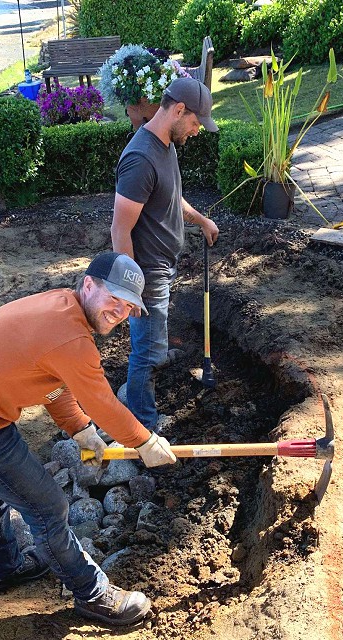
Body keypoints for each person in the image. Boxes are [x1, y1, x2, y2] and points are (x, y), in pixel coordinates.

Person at [0, 252, 177, 627]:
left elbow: (54, 387)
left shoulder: (61, 308)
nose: (120, 312)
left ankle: (3, 567)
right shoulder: (71, 336)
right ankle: (93, 595)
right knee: (48, 506)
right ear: (89, 284)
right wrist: (144, 441)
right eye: (114, 298)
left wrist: (81, 430)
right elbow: (104, 403)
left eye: (128, 307)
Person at [111, 77, 220, 432]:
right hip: (146, 275)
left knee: (151, 343)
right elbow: (119, 231)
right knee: (143, 354)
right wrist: (131, 290)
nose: (197, 131)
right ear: (178, 110)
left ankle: (155, 358)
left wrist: (200, 219)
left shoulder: (166, 145)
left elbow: (170, 197)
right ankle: (144, 428)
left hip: (162, 268)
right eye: (195, 122)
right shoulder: (140, 159)